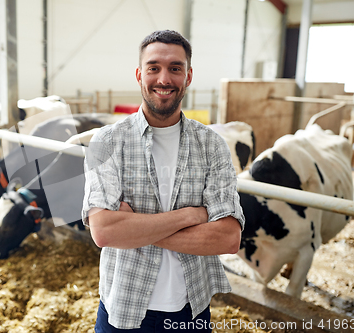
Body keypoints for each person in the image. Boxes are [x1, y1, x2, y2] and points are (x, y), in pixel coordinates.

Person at [82, 30, 245, 332]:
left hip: (190, 311)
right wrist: (190, 217)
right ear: (139, 74)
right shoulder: (107, 141)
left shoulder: (212, 145)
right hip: (123, 307)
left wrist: (134, 228)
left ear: (189, 75)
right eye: (153, 67)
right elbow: (104, 232)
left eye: (175, 68)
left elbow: (228, 238)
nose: (164, 79)